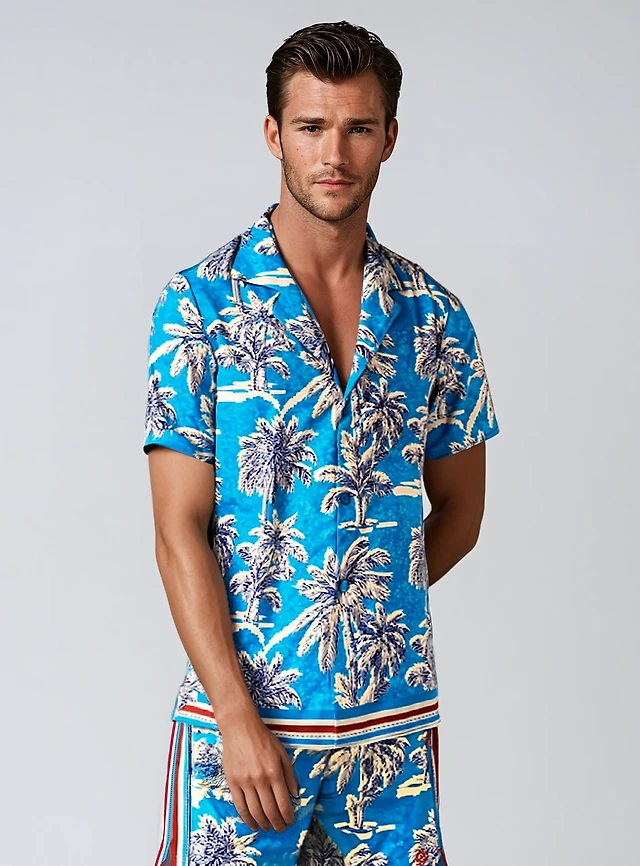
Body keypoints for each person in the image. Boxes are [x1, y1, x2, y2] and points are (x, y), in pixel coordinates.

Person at [143, 19, 500, 866]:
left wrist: (363, 604)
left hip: (390, 736)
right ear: (274, 135)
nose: (333, 153)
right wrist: (236, 715)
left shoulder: (435, 318)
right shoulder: (200, 305)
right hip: (243, 730)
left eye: (357, 128)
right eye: (311, 127)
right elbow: (176, 531)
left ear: (390, 138)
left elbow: (462, 511)